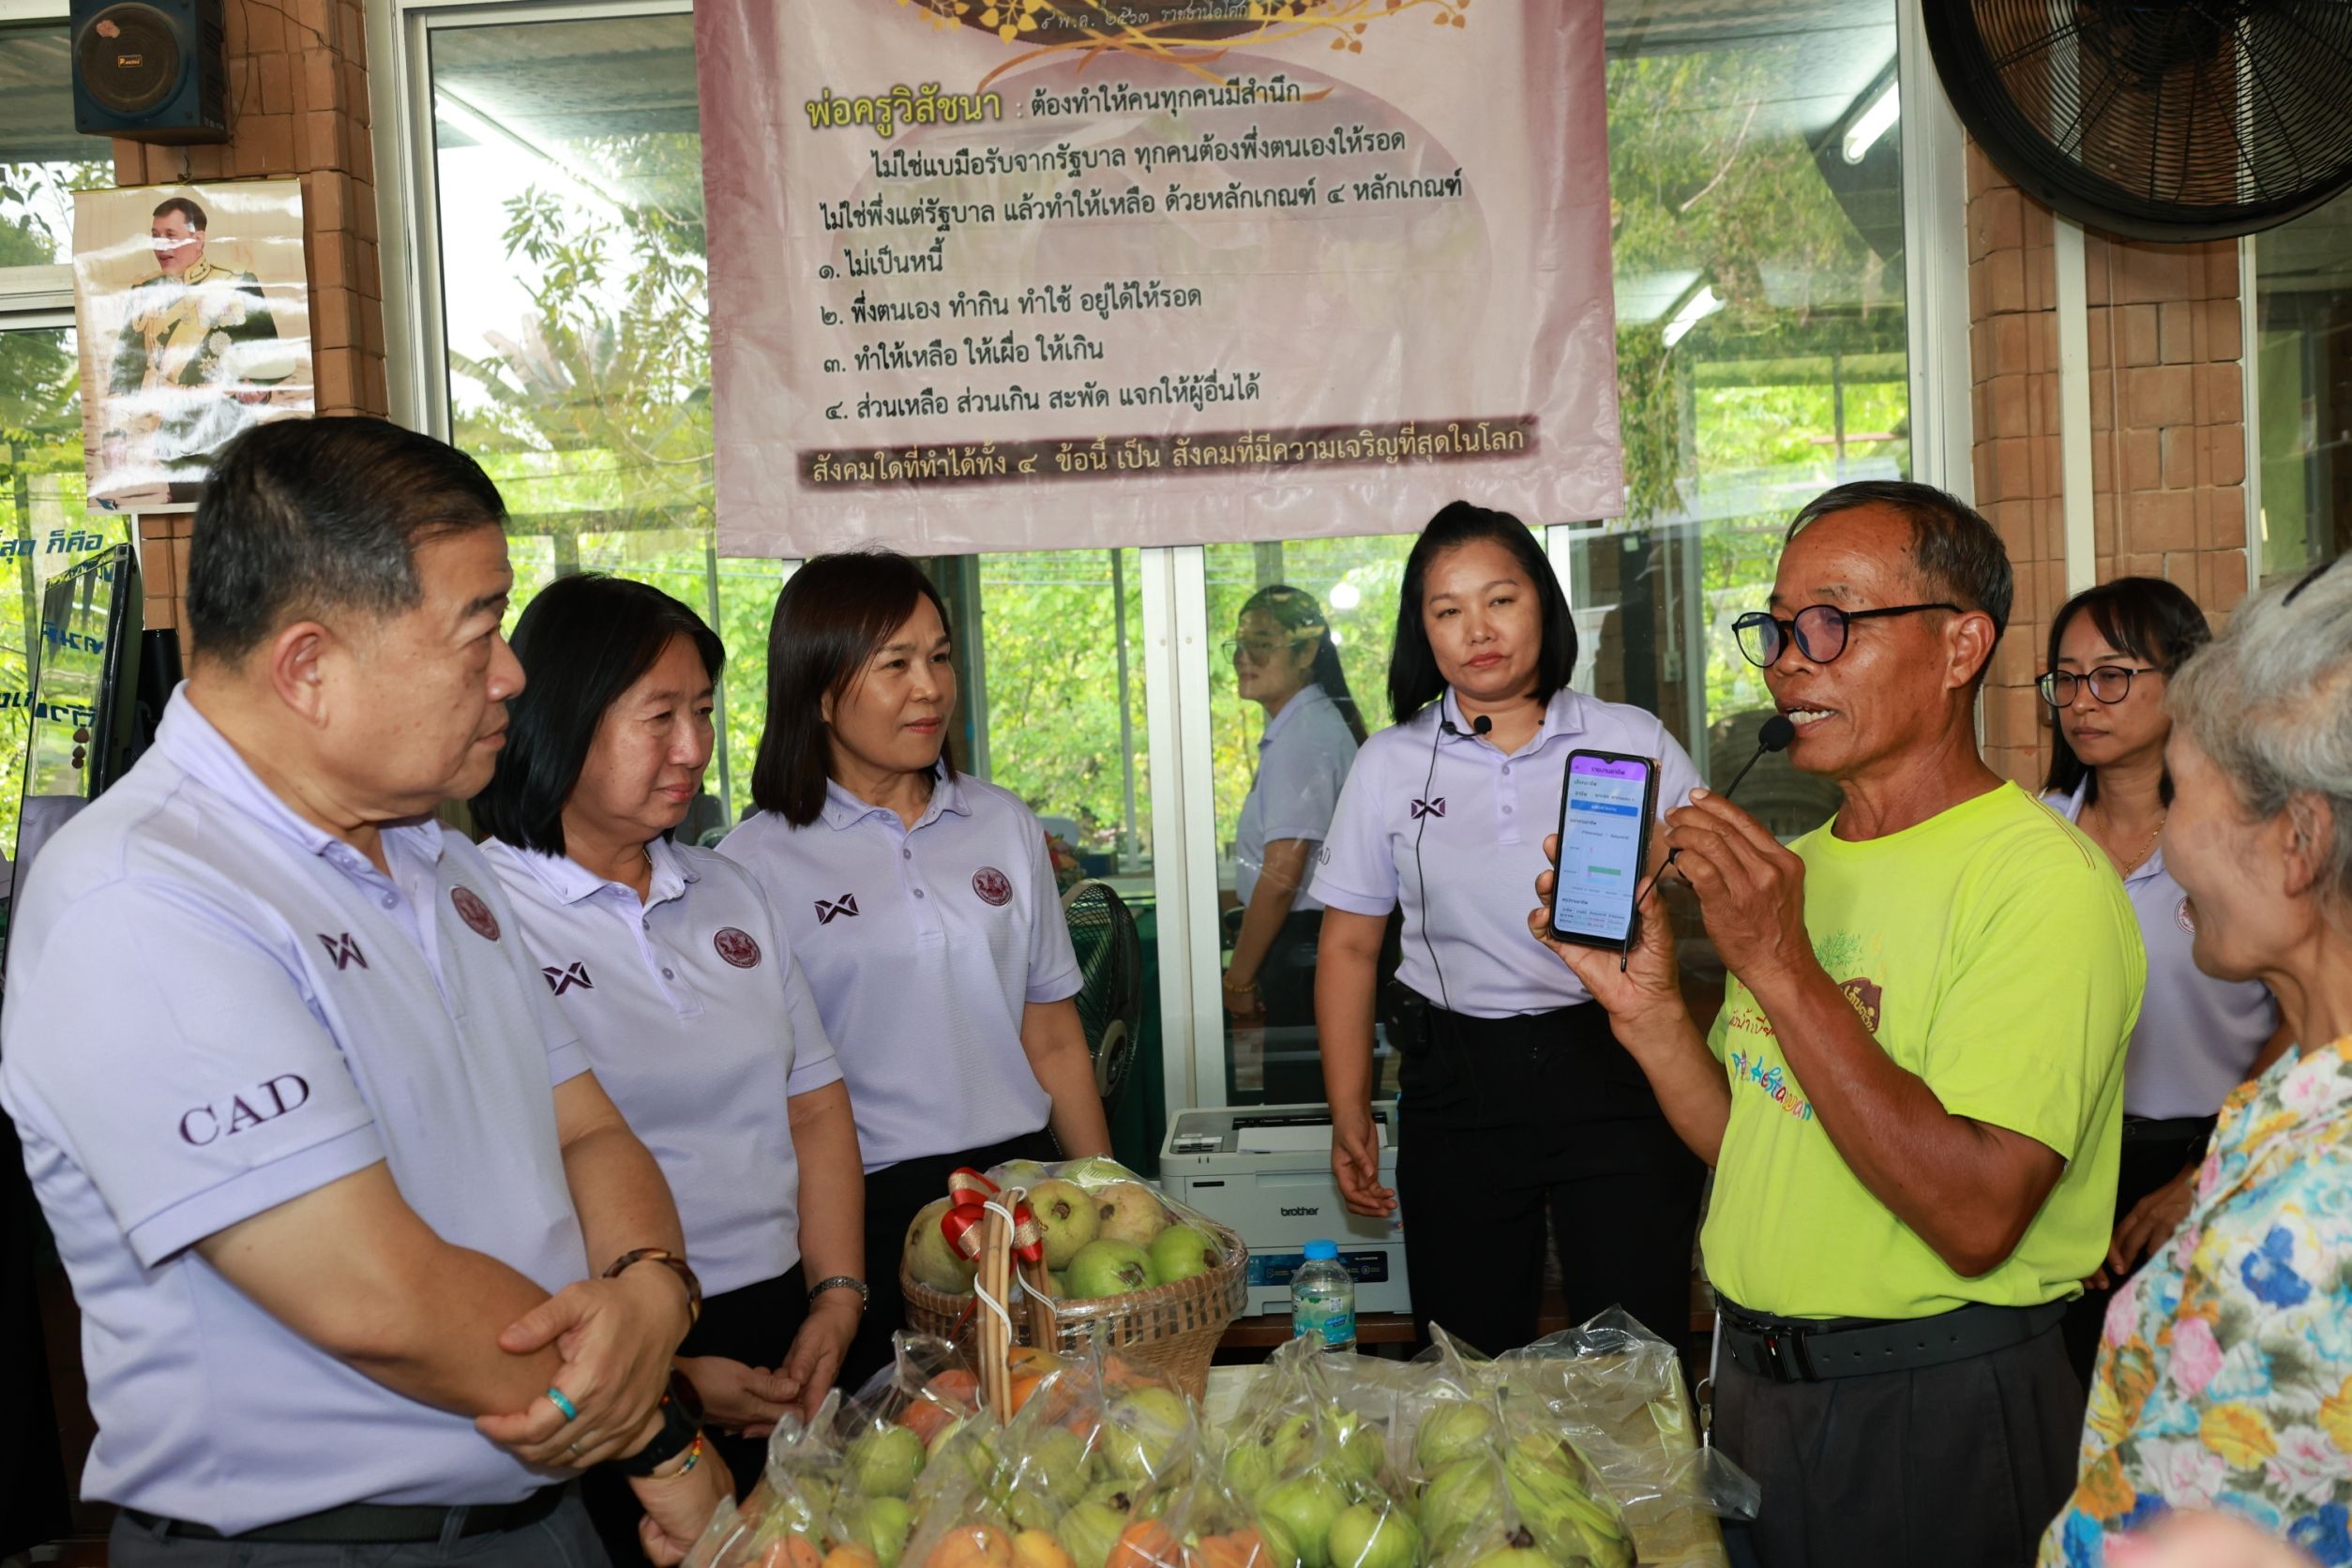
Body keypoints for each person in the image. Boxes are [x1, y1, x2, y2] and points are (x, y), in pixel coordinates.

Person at [0, 419, 726, 1567]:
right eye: (477, 628)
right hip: (323, 1545)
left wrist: (653, 1287)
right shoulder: (142, 898)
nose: (513, 674)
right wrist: (663, 1442)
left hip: (537, 1516)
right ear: (309, 667)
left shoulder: (442, 857)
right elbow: (382, 1300)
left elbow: (585, 1127)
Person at [1530, 479, 2144, 1568]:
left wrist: (1778, 961)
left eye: (1833, 621)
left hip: (1931, 1405)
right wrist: (1656, 1014)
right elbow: (1754, 1142)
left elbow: (1977, 1211)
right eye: (1776, 626)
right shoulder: (1806, 869)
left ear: (1961, 647)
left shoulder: (2040, 883)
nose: (1788, 659)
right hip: (1766, 1397)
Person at [472, 573, 869, 1549]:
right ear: (563, 720)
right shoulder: (480, 910)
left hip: (785, 1317)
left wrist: (836, 1300)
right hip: (597, 1351)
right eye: (659, 717)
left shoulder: (730, 889)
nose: (693, 748)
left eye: (702, 712)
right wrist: (669, 1374)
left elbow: (813, 1107)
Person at [1311, 500, 1707, 1355]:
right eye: (1447, 611)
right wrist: (1349, 1110)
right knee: (1466, 1359)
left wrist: (1674, 849)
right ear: (1424, 632)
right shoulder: (1389, 762)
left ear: (1543, 606)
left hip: (1617, 1065)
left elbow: (1719, 879)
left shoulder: (1625, 737)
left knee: (1634, 1353)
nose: (1477, 630)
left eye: (1500, 599)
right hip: (1457, 1083)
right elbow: (1348, 947)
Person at [719, 550, 1113, 1383]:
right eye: (894, 664)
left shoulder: (1001, 824)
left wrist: (1104, 1194)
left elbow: (1051, 1035)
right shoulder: (754, 864)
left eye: (938, 657)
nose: (929, 686)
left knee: (1051, 1436)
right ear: (821, 689)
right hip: (868, 1210)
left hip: (1024, 1189)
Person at [2040, 559, 2352, 1568]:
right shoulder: (2280, 1117)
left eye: (2183, 795)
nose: (2164, 845)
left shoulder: (2313, 1220)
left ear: (2298, 840)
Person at [2038, 578, 2289, 1383]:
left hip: (2212, 1162)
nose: (2084, 701)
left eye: (2112, 675)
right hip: (2061, 1172)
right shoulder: (2031, 836)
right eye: (2067, 680)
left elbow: (2305, 1014)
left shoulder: (2233, 835)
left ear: (2184, 682)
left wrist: (2207, 1169)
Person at [1221, 584, 1367, 1103]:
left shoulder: (1302, 736)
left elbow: (1284, 874)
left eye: (1261, 642)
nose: (1243, 657)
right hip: (1311, 944)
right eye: (1237, 645)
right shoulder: (1307, 725)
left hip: (1305, 945)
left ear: (1307, 652)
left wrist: (1238, 980)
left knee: (1301, 1114)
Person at [104, 196, 292, 492]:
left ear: (198, 238)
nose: (160, 247)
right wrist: (114, 433)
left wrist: (261, 390)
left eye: (170, 236)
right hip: (175, 438)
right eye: (155, 237)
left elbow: (269, 356)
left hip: (230, 433)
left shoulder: (237, 284)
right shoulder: (145, 293)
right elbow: (127, 367)